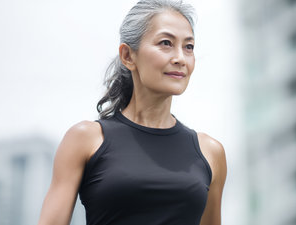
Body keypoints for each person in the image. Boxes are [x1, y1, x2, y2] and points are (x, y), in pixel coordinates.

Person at [37, 0, 227, 224]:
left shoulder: (210, 152)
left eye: (189, 47)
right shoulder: (85, 139)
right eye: (166, 43)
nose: (180, 58)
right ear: (128, 56)